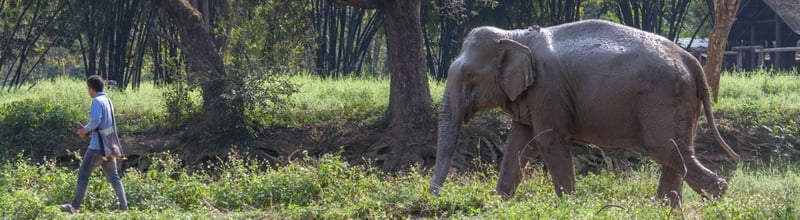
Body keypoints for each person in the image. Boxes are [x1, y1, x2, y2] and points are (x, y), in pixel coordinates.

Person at [61, 75, 128, 214]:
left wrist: (84, 131)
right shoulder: (108, 100)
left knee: (83, 174)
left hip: (97, 147)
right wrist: (89, 130)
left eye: (88, 88)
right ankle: (123, 207)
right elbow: (107, 126)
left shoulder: (97, 101)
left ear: (91, 89)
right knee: (114, 176)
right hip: (109, 146)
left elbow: (95, 122)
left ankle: (74, 207)